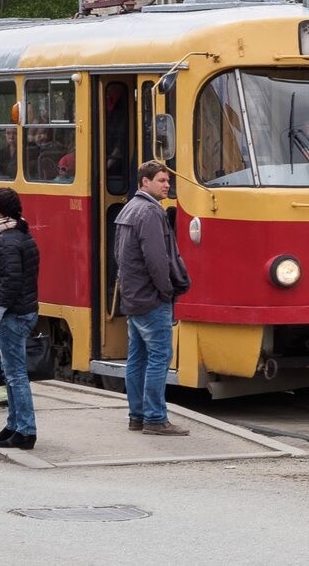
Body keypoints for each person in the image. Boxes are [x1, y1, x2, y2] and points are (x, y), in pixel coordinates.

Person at [113, 160, 191, 436]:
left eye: (168, 180)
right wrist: (166, 291)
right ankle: (156, 418)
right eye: (161, 180)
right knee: (159, 357)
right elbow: (157, 259)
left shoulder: (129, 209)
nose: (167, 185)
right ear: (145, 182)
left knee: (137, 359)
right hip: (151, 298)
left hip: (133, 297)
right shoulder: (149, 212)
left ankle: (137, 416)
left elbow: (118, 256)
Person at [0, 187, 40, 451]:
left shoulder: (5, 241)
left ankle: (25, 430)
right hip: (21, 311)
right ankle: (14, 424)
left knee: (15, 374)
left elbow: (12, 279)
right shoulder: (20, 235)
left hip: (12, 314)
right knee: (12, 372)